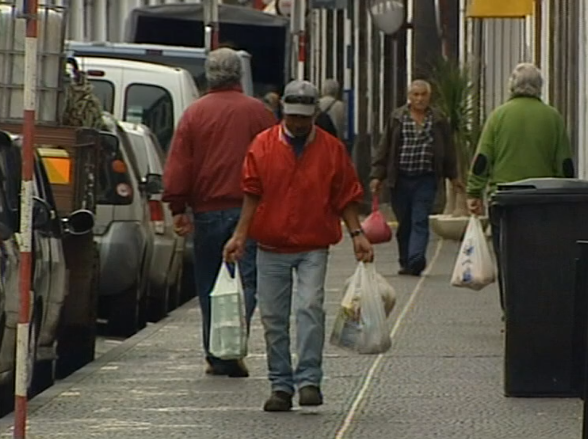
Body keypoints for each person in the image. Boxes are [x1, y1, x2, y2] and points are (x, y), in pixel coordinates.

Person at [222, 80, 373, 412]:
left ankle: (308, 381)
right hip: (271, 245)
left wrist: (357, 234)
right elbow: (252, 193)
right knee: (274, 318)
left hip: (312, 244)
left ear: (315, 114)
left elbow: (346, 195)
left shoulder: (332, 150)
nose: (299, 124)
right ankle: (280, 385)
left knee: (309, 308)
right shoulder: (261, 147)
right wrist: (240, 235)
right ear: (283, 113)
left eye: (304, 118)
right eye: (293, 117)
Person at [163, 48, 277, 377]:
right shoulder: (259, 113)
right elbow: (276, 159)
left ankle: (216, 352)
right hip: (250, 211)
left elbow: (180, 164)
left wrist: (178, 207)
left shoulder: (194, 114)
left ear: (209, 74)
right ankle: (233, 341)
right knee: (248, 280)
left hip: (207, 212)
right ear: (238, 74)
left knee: (210, 282)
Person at [466, 63, 574, 314]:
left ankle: (511, 310)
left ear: (511, 85)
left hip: (506, 199)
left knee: (507, 257)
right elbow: (565, 163)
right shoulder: (553, 118)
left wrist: (474, 192)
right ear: (540, 87)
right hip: (542, 199)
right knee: (541, 256)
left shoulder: (499, 116)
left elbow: (483, 158)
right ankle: (538, 305)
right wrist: (568, 192)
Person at [370, 79, 463, 276]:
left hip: (426, 179)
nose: (419, 99)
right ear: (409, 97)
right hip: (400, 179)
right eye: (416, 95)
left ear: (429, 97)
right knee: (405, 222)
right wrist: (377, 175)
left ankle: (416, 258)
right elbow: (384, 148)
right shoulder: (397, 118)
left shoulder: (438, 120)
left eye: (423, 95)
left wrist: (454, 177)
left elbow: (448, 150)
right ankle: (406, 260)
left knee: (420, 219)